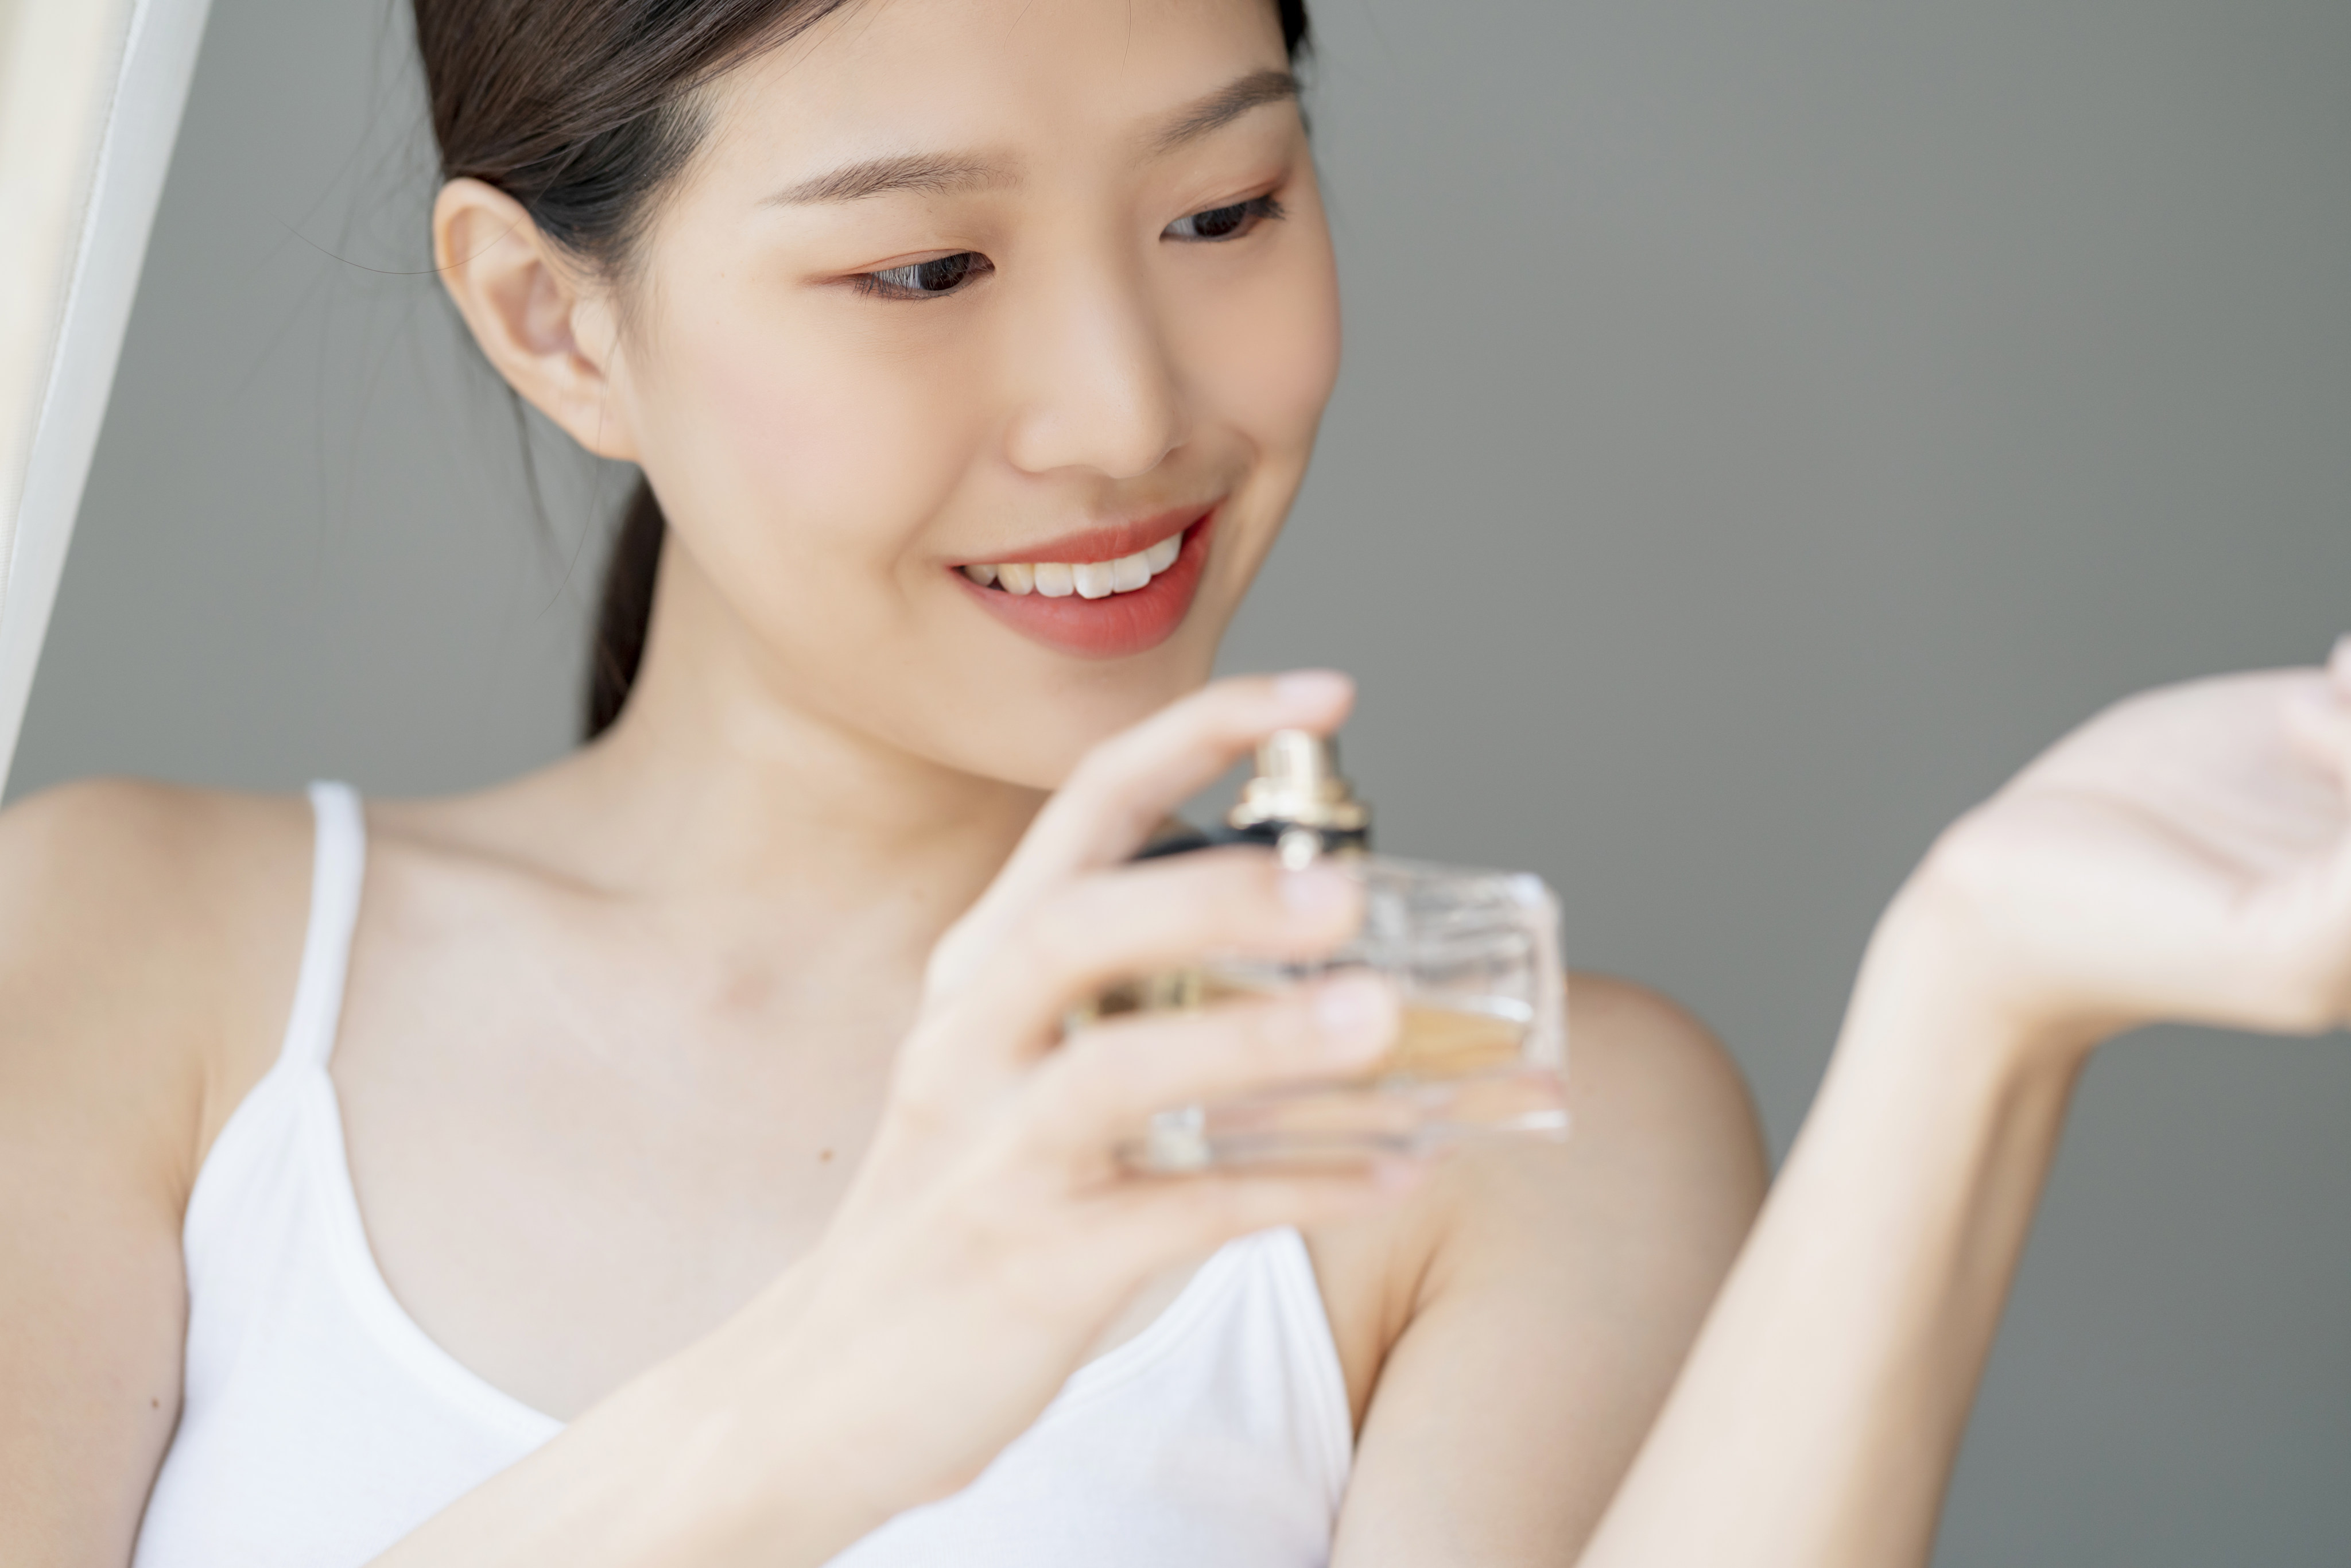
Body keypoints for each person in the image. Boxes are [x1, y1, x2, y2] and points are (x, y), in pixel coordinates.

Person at [3, 0, 2345, 1563]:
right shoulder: (130, 961)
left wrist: (1976, 1010)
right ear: (553, 316)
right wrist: (847, 1373)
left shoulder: (1480, 1102)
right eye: (925, 266)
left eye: (1224, 211)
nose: (1128, 407)